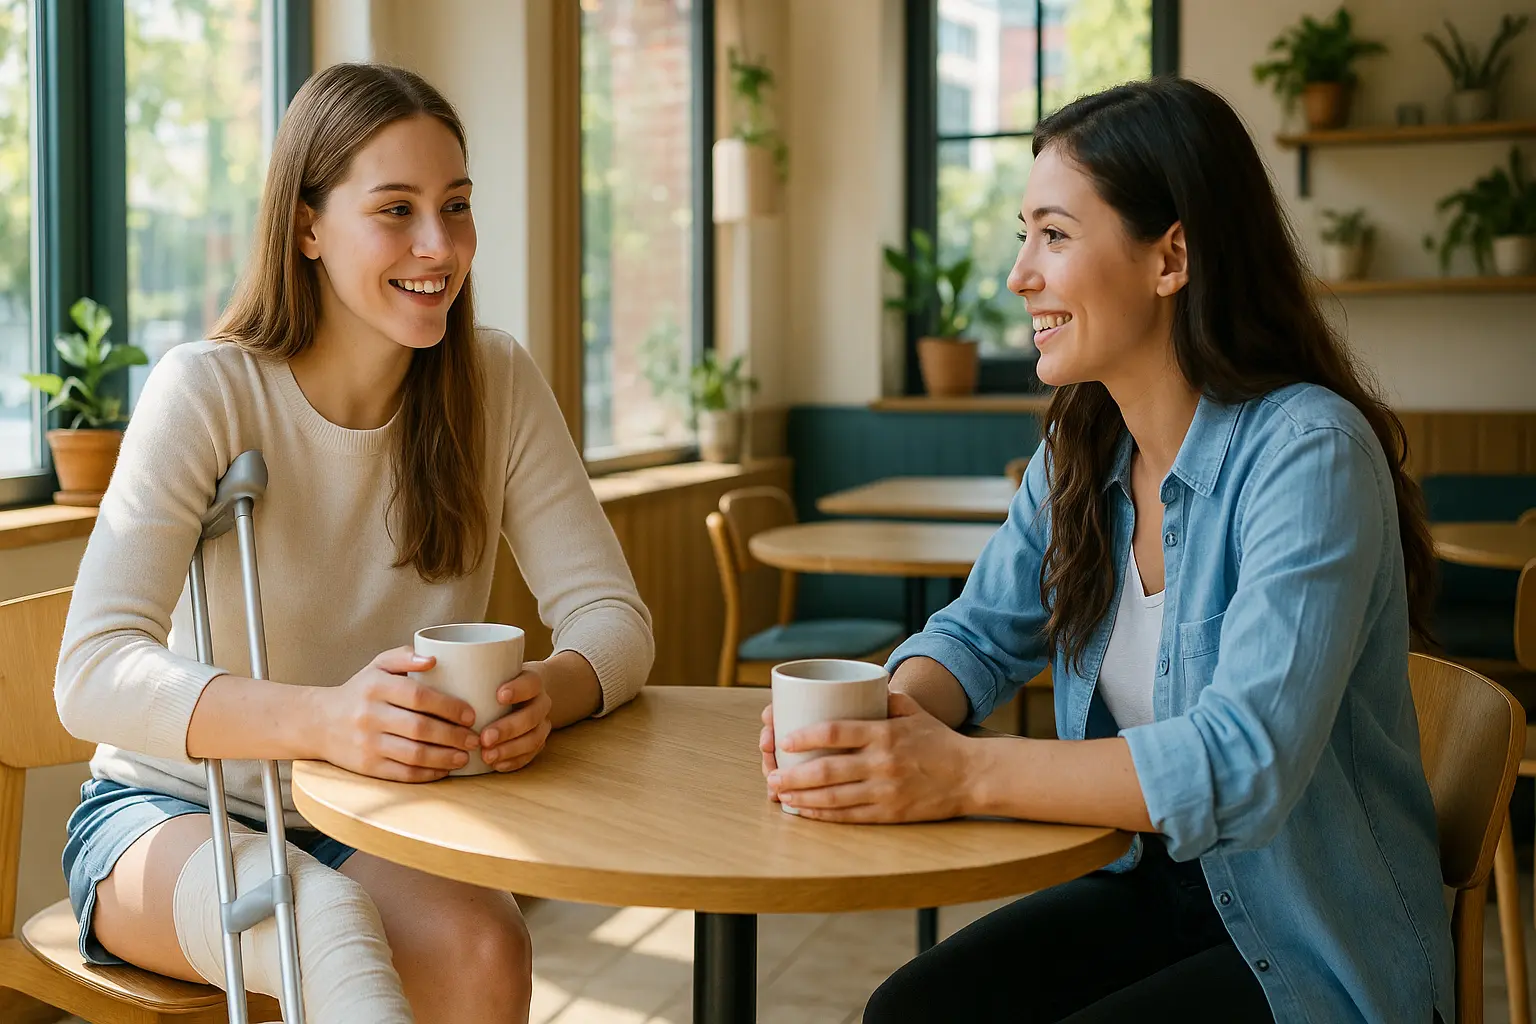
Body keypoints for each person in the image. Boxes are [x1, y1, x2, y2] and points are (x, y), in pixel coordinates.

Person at [761, 77, 1453, 1024]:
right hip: (1152, 888)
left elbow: (1242, 761)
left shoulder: (1308, 453)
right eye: (1024, 234)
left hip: (1312, 946)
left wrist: (960, 770)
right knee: (909, 1014)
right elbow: (980, 632)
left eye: (1054, 234)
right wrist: (874, 724)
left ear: (1171, 257)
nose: (1019, 276)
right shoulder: (1083, 445)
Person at [55, 62, 654, 1024]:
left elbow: (613, 619)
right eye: (396, 209)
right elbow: (89, 672)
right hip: (165, 815)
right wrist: (327, 720)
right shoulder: (207, 390)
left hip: (366, 815)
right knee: (324, 928)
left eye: (456, 206)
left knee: (487, 945)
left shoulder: (492, 379)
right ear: (306, 226)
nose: (439, 245)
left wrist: (555, 690)